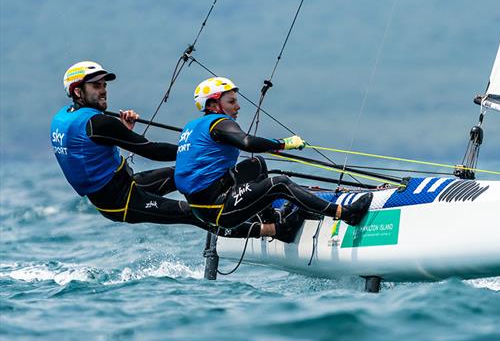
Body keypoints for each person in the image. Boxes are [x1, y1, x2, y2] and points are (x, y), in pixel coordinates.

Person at [50, 61, 279, 239]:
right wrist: (198, 148)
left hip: (124, 185)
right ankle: (268, 230)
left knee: (184, 174)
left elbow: (90, 147)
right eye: (96, 86)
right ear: (78, 91)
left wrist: (123, 130)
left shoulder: (64, 117)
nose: (103, 91)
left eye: (104, 85)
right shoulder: (99, 123)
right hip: (121, 202)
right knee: (192, 212)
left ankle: (239, 202)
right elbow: (151, 151)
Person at [174, 77, 372, 240]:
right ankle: (346, 214)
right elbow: (247, 143)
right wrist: (284, 143)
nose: (238, 106)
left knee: (255, 164)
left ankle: (273, 223)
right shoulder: (219, 122)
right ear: (213, 104)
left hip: (205, 205)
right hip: (218, 209)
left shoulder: (192, 127)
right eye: (231, 102)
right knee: (280, 184)